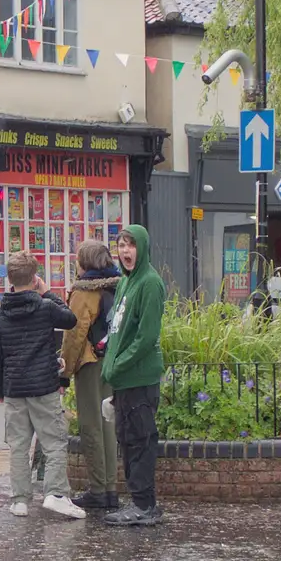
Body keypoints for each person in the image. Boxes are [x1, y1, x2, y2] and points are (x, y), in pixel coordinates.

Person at [0, 251, 86, 520]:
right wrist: (47, 292)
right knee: (54, 442)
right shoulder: (45, 307)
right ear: (34, 279)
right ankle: (55, 494)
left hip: (14, 388)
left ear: (10, 279)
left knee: (19, 445)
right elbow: (70, 319)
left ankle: (19, 499)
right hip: (43, 386)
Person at [100, 225, 167, 527]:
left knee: (141, 440)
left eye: (131, 245)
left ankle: (145, 505)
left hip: (139, 378)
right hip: (124, 380)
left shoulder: (150, 283)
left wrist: (118, 365)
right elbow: (119, 328)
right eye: (121, 245)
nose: (125, 251)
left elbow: (146, 337)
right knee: (128, 440)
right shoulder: (126, 281)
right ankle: (139, 501)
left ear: (142, 248)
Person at [60, 239, 121, 510]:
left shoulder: (84, 292)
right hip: (113, 360)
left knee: (91, 425)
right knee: (109, 423)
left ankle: (98, 490)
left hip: (90, 363)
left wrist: (65, 370)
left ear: (85, 262)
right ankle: (110, 488)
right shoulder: (118, 286)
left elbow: (74, 336)